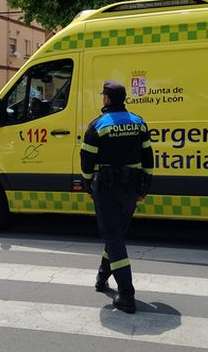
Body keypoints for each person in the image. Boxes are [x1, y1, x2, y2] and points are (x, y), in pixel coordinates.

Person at [80, 80, 153, 314]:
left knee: (112, 236)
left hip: (107, 189)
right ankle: (102, 278)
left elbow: (86, 160)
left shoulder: (99, 125)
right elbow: (149, 157)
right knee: (116, 235)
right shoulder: (139, 123)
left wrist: (87, 184)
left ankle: (127, 294)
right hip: (131, 188)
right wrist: (145, 187)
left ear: (107, 99)